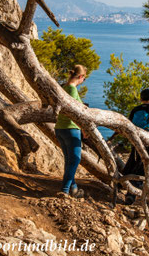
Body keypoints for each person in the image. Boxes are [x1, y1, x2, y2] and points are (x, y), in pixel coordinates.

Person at [122, 88, 149, 205]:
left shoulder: (135, 110)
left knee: (136, 171)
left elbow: (130, 127)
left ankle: (130, 195)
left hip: (139, 145)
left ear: (141, 99)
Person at [54, 65, 87, 198]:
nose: (83, 82)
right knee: (75, 160)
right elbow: (75, 113)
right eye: (84, 79)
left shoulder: (63, 88)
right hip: (70, 129)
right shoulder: (72, 90)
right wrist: (84, 128)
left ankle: (74, 189)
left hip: (60, 129)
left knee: (69, 161)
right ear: (80, 77)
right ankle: (65, 190)